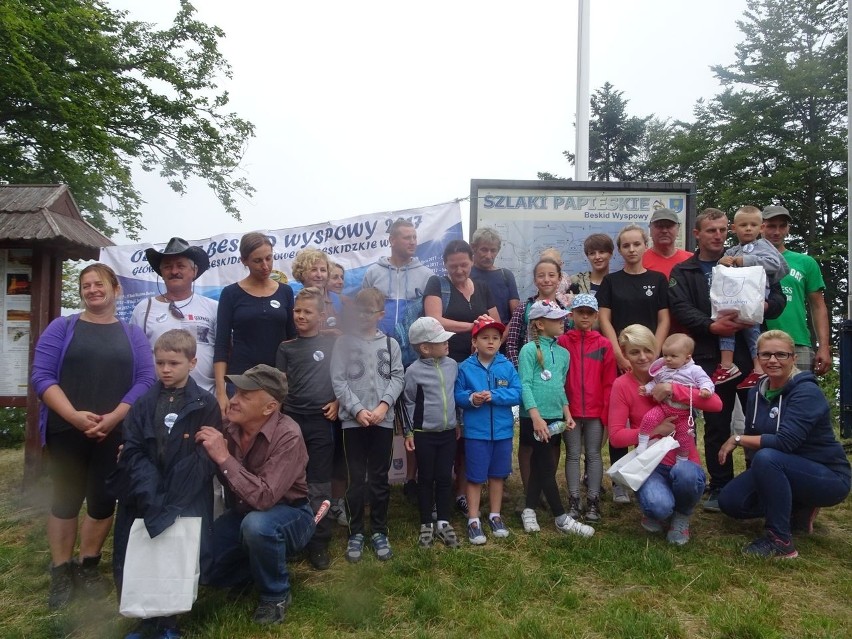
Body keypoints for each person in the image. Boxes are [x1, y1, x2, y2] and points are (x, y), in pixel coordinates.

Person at [31, 263, 156, 609]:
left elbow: (146, 380)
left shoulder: (132, 335)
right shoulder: (63, 327)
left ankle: (88, 565)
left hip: (113, 432)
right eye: (85, 285)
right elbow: (42, 378)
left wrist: (115, 416)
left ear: (115, 289)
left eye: (98, 284)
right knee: (65, 501)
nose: (92, 290)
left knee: (102, 502)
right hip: (65, 429)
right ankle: (60, 570)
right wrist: (73, 416)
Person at [669, 208, 786, 511]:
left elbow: (778, 298)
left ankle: (758, 482)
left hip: (751, 354)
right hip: (710, 356)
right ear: (697, 234)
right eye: (711, 230)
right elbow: (680, 307)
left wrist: (763, 306)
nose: (718, 235)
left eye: (722, 230)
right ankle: (719, 485)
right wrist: (711, 326)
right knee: (717, 423)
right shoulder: (686, 270)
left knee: (758, 422)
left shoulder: (747, 257)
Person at [112, 330, 221, 639]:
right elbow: (132, 449)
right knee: (140, 554)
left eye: (174, 363)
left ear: (192, 362)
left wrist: (173, 496)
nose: (166, 370)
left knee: (178, 555)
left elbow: (205, 455)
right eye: (160, 363)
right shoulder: (143, 403)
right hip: (144, 496)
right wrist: (151, 493)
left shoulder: (206, 404)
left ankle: (170, 621)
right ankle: (144, 619)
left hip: (185, 497)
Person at [196, 365, 314, 625]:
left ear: (269, 407)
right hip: (241, 514)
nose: (234, 401)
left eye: (245, 397)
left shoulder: (289, 435)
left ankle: (275, 594)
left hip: (291, 514)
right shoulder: (228, 425)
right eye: (235, 393)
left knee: (257, 526)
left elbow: (265, 498)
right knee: (203, 568)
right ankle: (256, 570)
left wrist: (224, 457)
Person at [717, 330, 851, 558]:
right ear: (757, 358)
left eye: (781, 354)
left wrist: (736, 438)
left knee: (768, 457)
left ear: (793, 358)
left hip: (827, 476)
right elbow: (755, 435)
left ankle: (780, 540)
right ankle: (797, 507)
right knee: (731, 502)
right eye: (766, 355)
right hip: (781, 466)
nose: (772, 360)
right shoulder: (756, 392)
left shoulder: (807, 392)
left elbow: (785, 442)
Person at [608, 325, 722, 545]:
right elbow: (616, 437)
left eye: (647, 350)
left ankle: (682, 516)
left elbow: (716, 404)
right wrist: (654, 431)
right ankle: (661, 510)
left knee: (687, 476)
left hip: (684, 459)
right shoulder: (622, 385)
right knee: (659, 506)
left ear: (656, 349)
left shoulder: (678, 373)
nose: (642, 357)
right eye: (634, 352)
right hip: (650, 463)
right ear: (625, 355)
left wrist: (672, 389)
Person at [423, 239, 498, 516]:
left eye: (464, 264)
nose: (459, 270)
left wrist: (482, 334)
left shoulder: (484, 287)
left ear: (471, 261)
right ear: (445, 265)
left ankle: (462, 491)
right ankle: (437, 489)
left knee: (469, 432)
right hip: (442, 367)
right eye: (453, 265)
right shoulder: (436, 284)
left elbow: (495, 325)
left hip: (475, 369)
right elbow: (434, 321)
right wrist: (473, 327)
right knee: (444, 430)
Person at [597, 223, 670, 504]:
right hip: (623, 358)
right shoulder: (612, 281)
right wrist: (618, 353)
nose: (631, 249)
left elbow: (664, 318)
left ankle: (660, 469)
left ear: (645, 245)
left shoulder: (658, 279)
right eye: (625, 245)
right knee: (621, 419)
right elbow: (604, 318)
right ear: (620, 250)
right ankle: (620, 479)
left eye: (636, 244)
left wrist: (655, 351)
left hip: (651, 360)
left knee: (656, 414)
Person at [330, 288, 405, 563]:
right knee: (355, 479)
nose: (363, 317)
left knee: (379, 478)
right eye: (358, 312)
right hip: (353, 423)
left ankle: (379, 530)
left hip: (382, 422)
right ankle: (356, 532)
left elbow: (398, 377)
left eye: (369, 312)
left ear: (380, 315)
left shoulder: (391, 345)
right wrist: (358, 410)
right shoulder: (344, 345)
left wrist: (383, 406)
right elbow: (338, 381)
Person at [518, 300, 594, 538]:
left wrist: (568, 414)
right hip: (535, 418)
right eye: (556, 319)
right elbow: (525, 385)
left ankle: (529, 510)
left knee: (543, 466)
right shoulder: (528, 350)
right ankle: (561, 517)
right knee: (547, 467)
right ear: (540, 324)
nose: (563, 322)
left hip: (556, 417)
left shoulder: (563, 354)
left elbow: (560, 386)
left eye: (563, 318)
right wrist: (536, 417)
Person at [275, 287, 338, 570]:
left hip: (321, 422)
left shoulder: (332, 344)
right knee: (290, 481)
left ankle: (319, 540)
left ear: (321, 316)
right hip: (291, 422)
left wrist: (338, 401)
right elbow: (279, 387)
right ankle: (292, 536)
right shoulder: (285, 348)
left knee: (319, 482)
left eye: (307, 312)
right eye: (297, 311)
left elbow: (342, 377)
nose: (301, 316)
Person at [505, 257, 572, 503]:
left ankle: (545, 486)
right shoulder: (524, 307)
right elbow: (512, 341)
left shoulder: (566, 308)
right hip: (529, 383)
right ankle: (528, 489)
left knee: (553, 443)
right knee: (528, 442)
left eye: (551, 275)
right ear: (535, 280)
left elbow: (568, 340)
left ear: (559, 278)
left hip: (553, 385)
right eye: (541, 275)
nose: (546, 279)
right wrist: (521, 373)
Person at [454, 317, 522, 545]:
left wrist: (495, 396)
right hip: (476, 433)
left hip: (502, 432)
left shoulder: (506, 366)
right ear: (474, 341)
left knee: (497, 475)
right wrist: (472, 398)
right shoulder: (465, 368)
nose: (491, 342)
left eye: (495, 338)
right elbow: (459, 395)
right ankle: (473, 519)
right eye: (485, 338)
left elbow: (517, 392)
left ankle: (495, 515)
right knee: (475, 477)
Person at [214, 232, 296, 416]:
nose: (265, 266)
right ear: (244, 260)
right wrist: (221, 392)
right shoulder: (230, 294)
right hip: (240, 379)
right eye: (257, 261)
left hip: (276, 381)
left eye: (269, 258)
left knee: (274, 437)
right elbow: (221, 345)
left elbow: (293, 339)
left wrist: (289, 378)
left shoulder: (285, 292)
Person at [402, 317, 461, 549]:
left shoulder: (452, 365)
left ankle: (444, 521)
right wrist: (409, 433)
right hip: (424, 434)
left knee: (445, 477)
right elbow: (407, 403)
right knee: (426, 478)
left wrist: (458, 423)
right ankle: (426, 522)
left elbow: (455, 396)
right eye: (441, 340)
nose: (447, 343)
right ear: (425, 348)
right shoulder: (413, 372)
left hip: (448, 433)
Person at [556, 294, 616, 522]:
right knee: (572, 455)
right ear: (571, 315)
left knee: (593, 454)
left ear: (595, 316)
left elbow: (609, 382)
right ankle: (573, 499)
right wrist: (563, 408)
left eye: (589, 313)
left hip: (594, 412)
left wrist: (606, 412)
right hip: (570, 411)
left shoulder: (604, 345)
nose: (584, 316)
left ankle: (593, 501)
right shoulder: (562, 343)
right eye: (580, 312)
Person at [715, 206, 789, 388]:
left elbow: (777, 265)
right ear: (734, 228)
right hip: (732, 299)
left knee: (753, 332)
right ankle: (727, 365)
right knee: (727, 328)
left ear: (761, 228)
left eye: (753, 225)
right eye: (743, 225)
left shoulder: (764, 246)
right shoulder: (732, 250)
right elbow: (721, 273)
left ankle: (758, 369)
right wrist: (721, 262)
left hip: (753, 299)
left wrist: (746, 260)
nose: (748, 228)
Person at [131, 237, 218, 393]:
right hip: (156, 400)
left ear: (194, 271)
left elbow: (225, 353)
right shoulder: (143, 309)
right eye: (168, 267)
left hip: (207, 399)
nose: (174, 271)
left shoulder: (213, 307)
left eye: (180, 266)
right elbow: (134, 356)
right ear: (161, 272)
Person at [761, 205, 831, 375]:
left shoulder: (805, 262)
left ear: (788, 229)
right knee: (758, 398)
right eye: (771, 226)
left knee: (800, 397)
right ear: (761, 227)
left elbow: (818, 306)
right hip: (758, 342)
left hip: (797, 342)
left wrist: (823, 347)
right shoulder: (746, 259)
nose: (776, 231)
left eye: (782, 226)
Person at [637, 333, 715, 461]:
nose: (668, 359)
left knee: (684, 437)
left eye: (673, 356)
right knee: (649, 418)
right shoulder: (663, 370)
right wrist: (647, 389)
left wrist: (706, 389)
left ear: (687, 358)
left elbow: (705, 380)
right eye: (665, 355)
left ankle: (682, 459)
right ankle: (642, 442)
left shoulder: (694, 370)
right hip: (664, 407)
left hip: (683, 413)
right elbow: (655, 383)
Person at [361, 217, 434, 340]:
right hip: (378, 345)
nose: (412, 242)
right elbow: (362, 311)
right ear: (392, 240)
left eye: (414, 237)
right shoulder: (373, 272)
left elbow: (431, 318)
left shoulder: (427, 275)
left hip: (414, 348)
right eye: (407, 238)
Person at [470, 227, 520, 325]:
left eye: (493, 250)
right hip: (473, 335)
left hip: (502, 335)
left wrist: (502, 337)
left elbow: (516, 315)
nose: (489, 256)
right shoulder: (466, 275)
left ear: (498, 250)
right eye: (484, 250)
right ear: (473, 247)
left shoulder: (506, 276)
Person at [289, 248, 343, 327]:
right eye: (313, 270)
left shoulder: (337, 299)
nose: (319, 275)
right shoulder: (294, 302)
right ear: (301, 273)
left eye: (323, 270)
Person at [642, 208, 693, 278]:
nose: (664, 231)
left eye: (669, 226)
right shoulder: (640, 260)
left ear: (678, 229)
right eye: (659, 226)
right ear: (650, 229)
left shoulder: (691, 260)